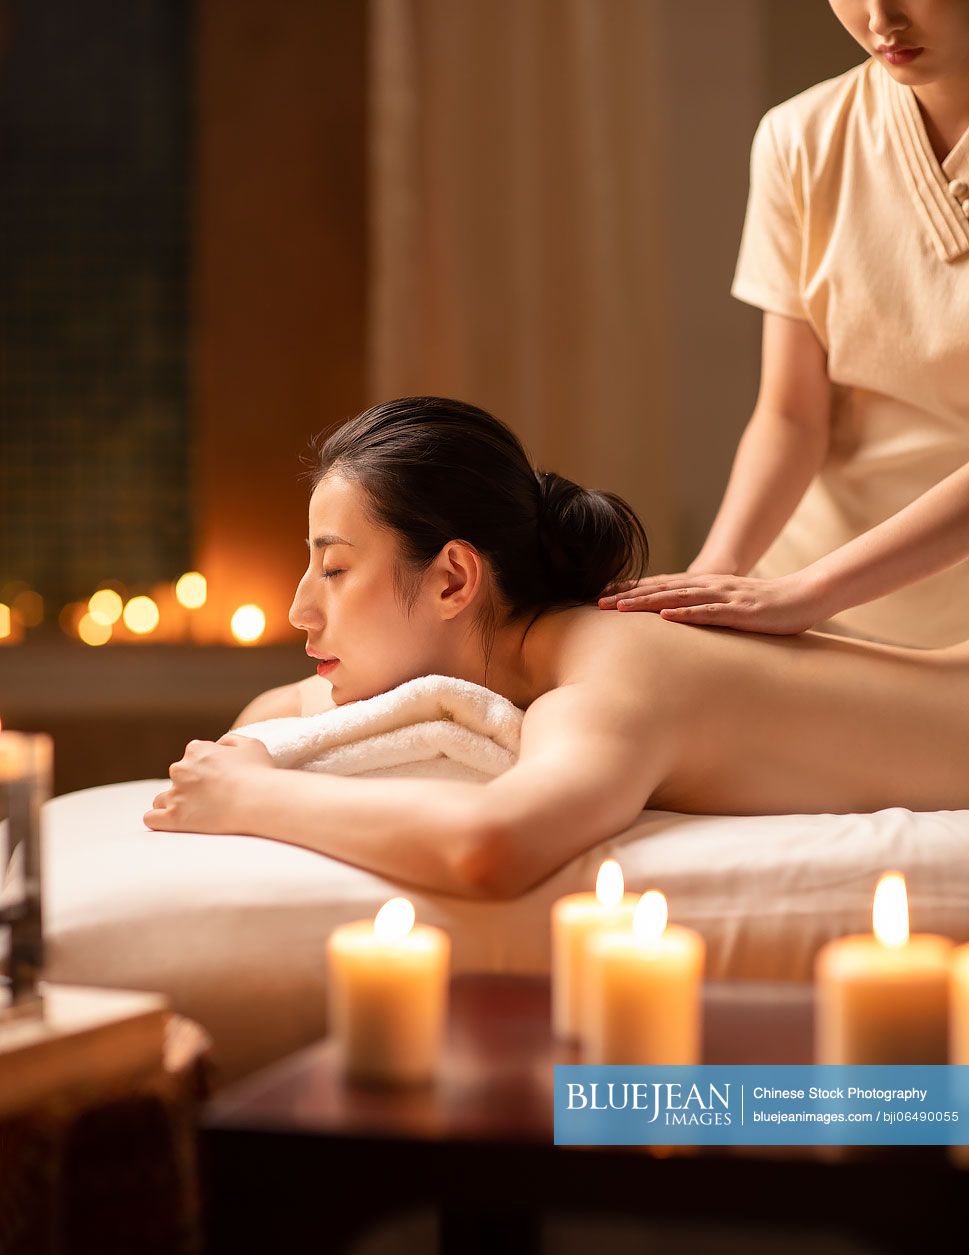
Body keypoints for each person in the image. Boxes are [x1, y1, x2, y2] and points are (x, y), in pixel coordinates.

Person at [144, 397, 969, 900]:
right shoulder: (554, 658)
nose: (298, 608)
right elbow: (275, 712)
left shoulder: (608, 677)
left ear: (452, 579)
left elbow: (491, 850)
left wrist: (253, 798)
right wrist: (258, 742)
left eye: (334, 567)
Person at [599, 0, 969, 647]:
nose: (879, 17)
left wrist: (806, 592)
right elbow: (792, 414)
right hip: (806, 594)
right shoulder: (799, 137)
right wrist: (712, 574)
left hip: (842, 598)